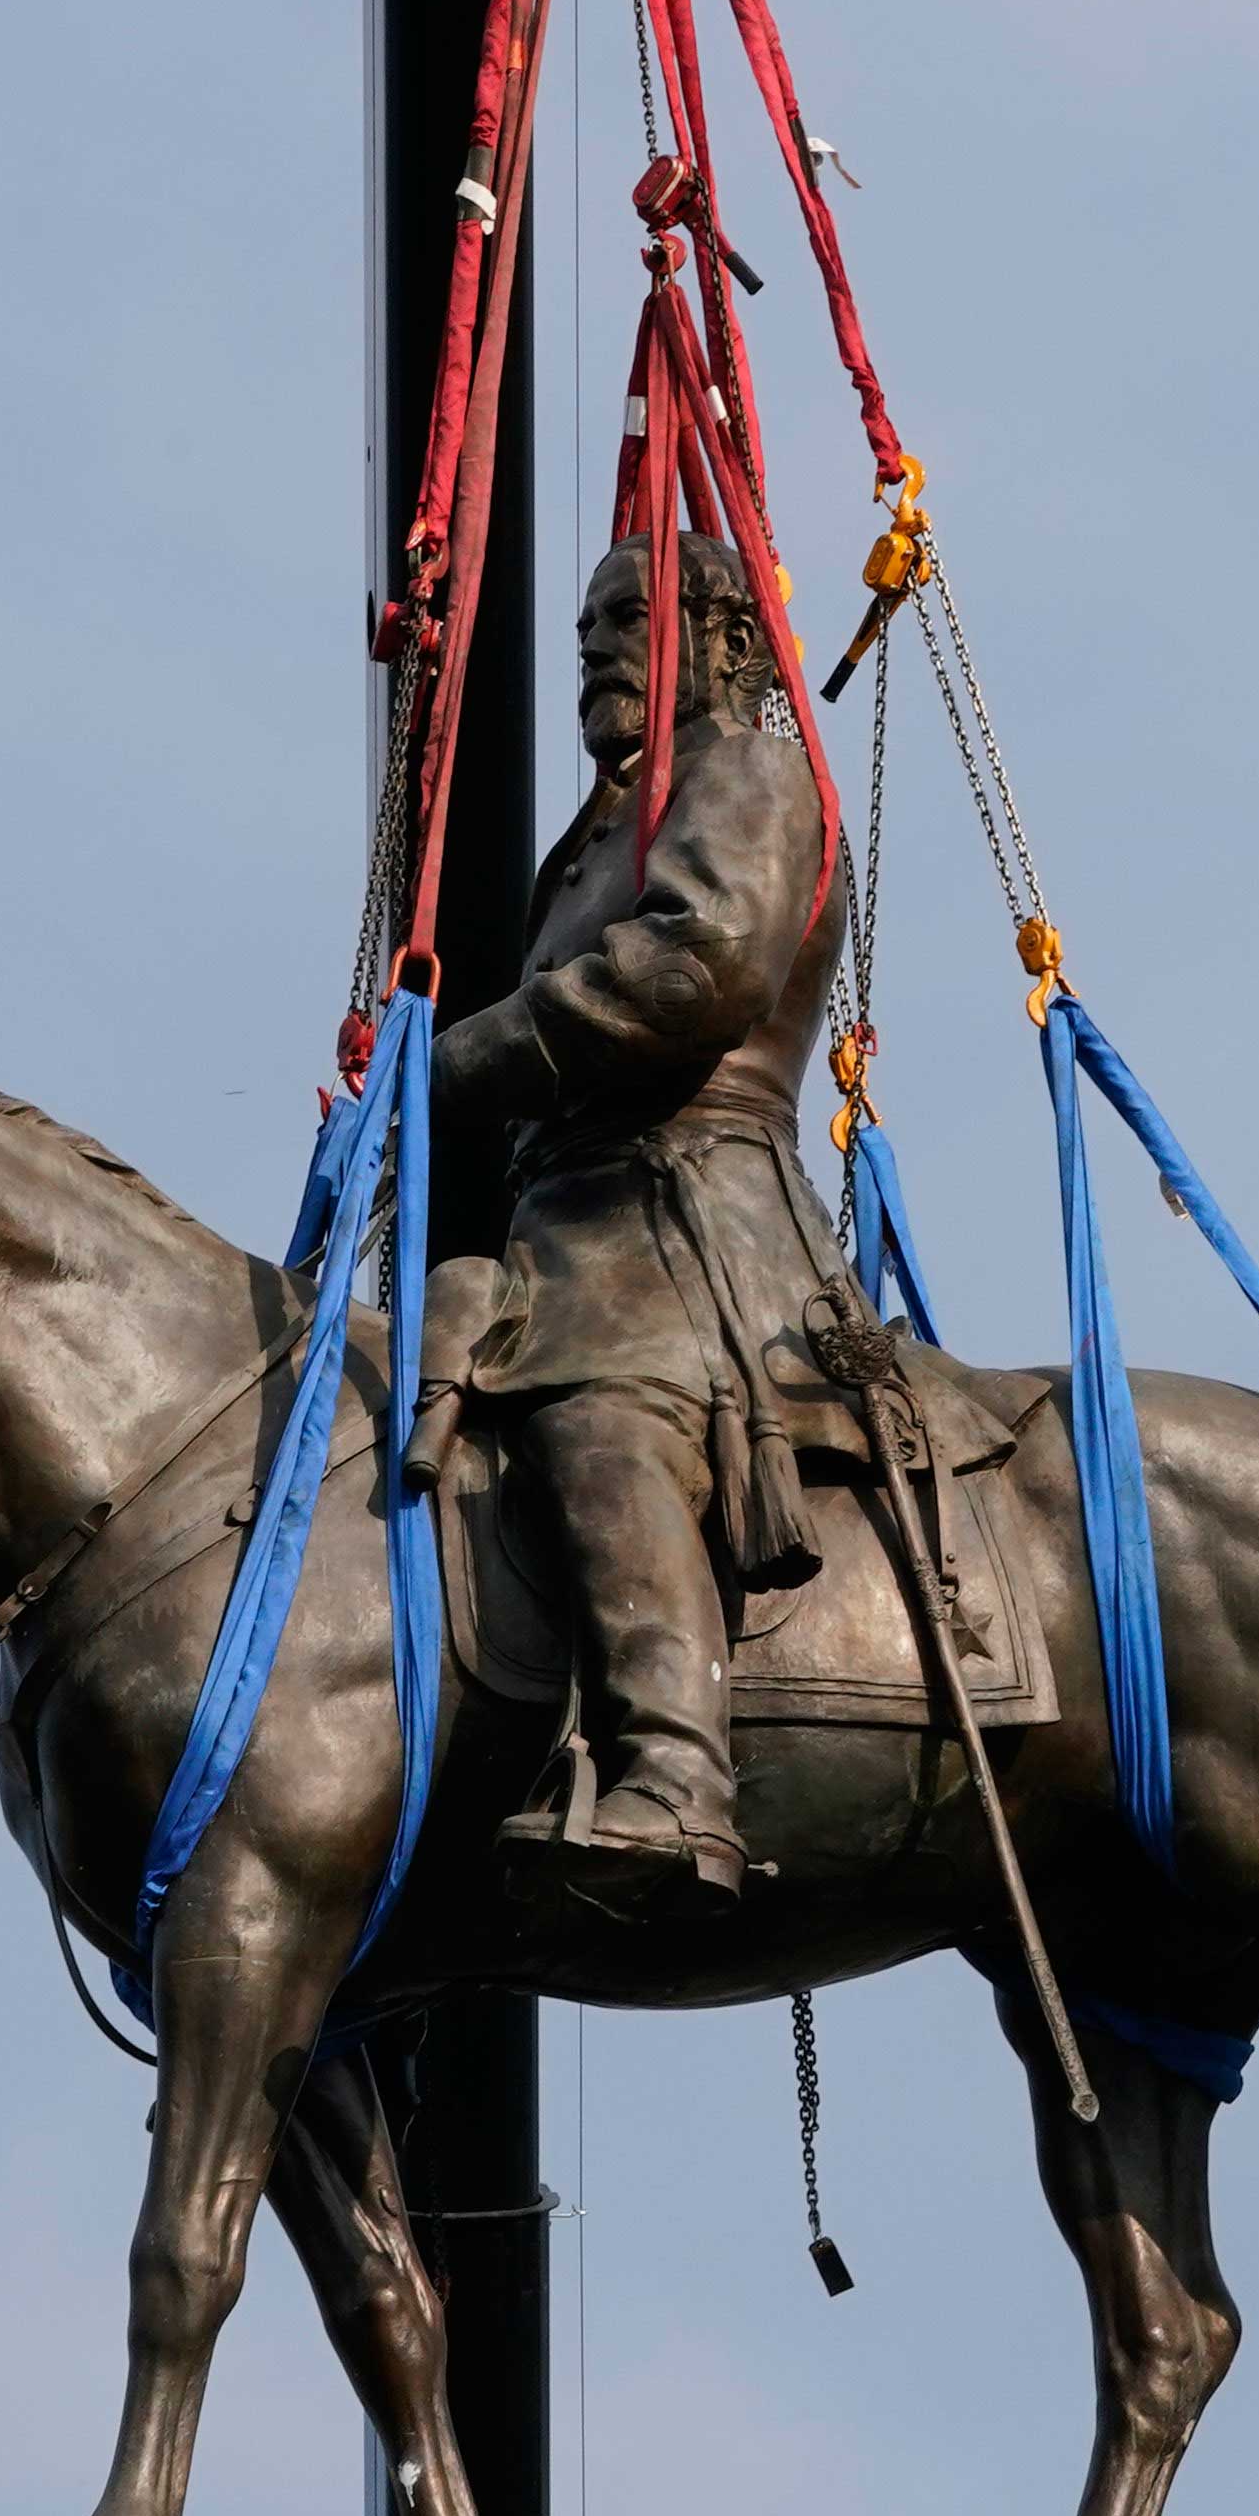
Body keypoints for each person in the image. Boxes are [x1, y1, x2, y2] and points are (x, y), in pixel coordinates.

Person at [430, 526, 853, 1910]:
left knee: (599, 1409)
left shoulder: (745, 768)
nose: (597, 648)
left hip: (688, 1221)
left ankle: (674, 1777)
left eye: (630, 619)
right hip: (572, 1217)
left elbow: (697, 965)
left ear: (724, 639)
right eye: (587, 627)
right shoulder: (599, 834)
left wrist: (464, 1062)